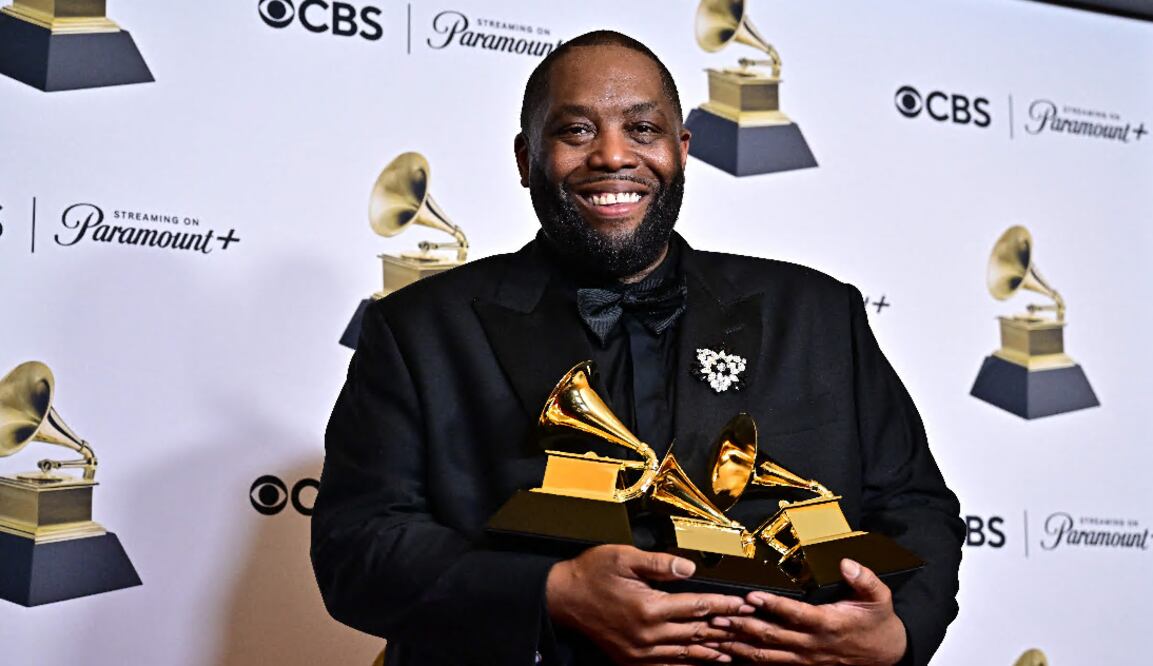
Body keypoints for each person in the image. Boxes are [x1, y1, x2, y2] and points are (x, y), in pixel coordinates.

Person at [312, 30, 963, 666]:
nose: (613, 156)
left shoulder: (819, 313)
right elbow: (357, 547)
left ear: (681, 150)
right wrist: (551, 594)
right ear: (524, 159)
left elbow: (913, 507)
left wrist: (897, 636)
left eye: (643, 129)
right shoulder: (418, 329)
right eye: (575, 131)